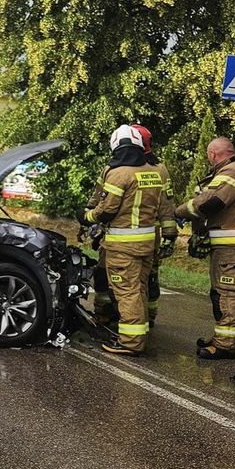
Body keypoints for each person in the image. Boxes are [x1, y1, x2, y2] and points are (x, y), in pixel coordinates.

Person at [84, 124, 171, 357]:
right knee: (139, 289)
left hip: (123, 247)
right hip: (147, 244)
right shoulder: (153, 171)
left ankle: (131, 342)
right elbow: (165, 207)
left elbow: (107, 209)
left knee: (126, 291)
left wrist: (87, 217)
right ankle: (138, 334)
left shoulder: (119, 173)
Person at [176, 137, 235, 360]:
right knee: (222, 293)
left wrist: (179, 212)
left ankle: (225, 345)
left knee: (227, 294)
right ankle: (224, 339)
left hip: (234, 244)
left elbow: (209, 203)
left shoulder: (232, 171)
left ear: (213, 154)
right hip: (230, 243)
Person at [131, 124, 178, 327]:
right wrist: (169, 235)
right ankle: (146, 318)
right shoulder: (160, 170)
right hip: (151, 236)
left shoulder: (118, 167)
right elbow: (168, 206)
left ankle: (120, 317)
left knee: (131, 277)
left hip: (121, 235)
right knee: (149, 275)